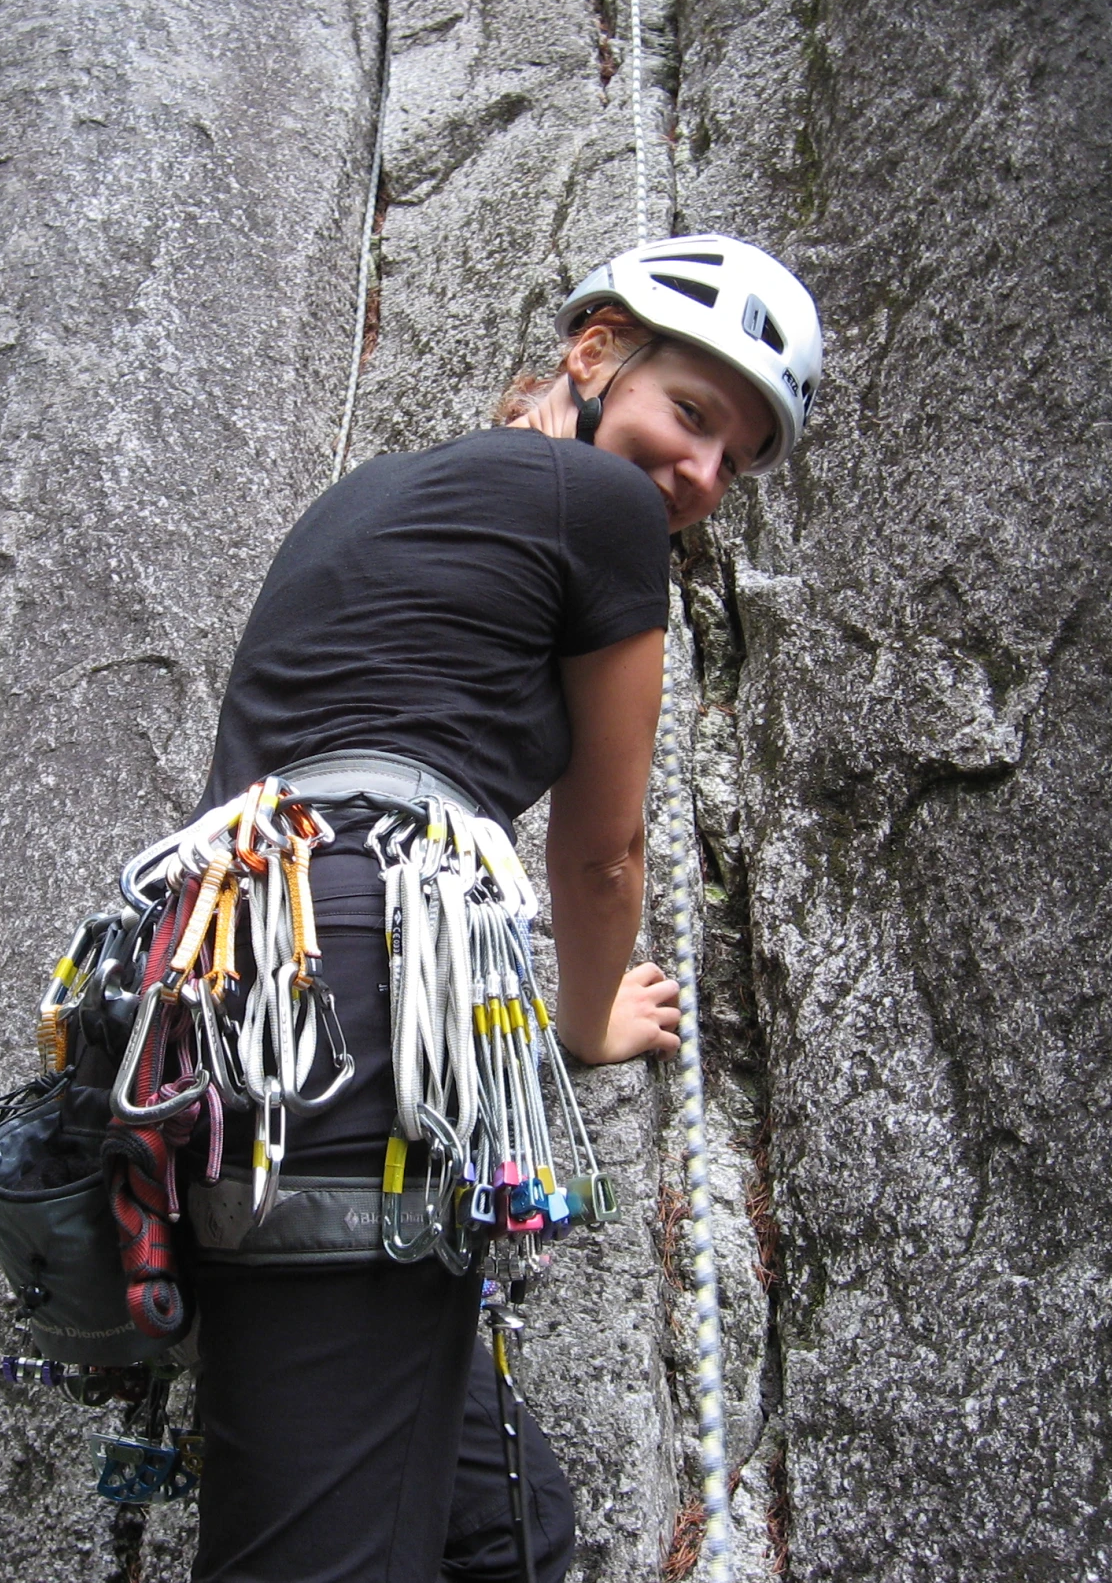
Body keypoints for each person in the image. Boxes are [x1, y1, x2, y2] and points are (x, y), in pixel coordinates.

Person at [185, 235, 822, 1582]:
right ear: (598, 352)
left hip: (238, 1005)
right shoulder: (600, 509)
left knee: (503, 1534)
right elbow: (604, 850)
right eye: (692, 413)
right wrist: (584, 1018)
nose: (703, 474)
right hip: (354, 1007)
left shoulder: (362, 503)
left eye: (736, 458)